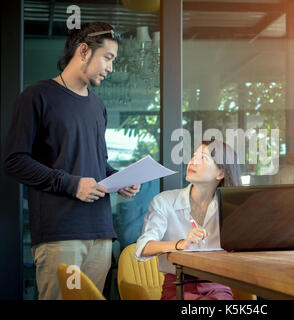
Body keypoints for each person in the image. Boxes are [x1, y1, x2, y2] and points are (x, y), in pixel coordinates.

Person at [3, 22, 141, 300]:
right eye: (108, 57)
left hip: (101, 232)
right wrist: (71, 184)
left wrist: (119, 179)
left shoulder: (97, 106)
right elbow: (14, 160)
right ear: (83, 51)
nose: (111, 68)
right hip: (61, 233)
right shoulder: (37, 96)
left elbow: (96, 164)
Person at [134, 139, 241, 300]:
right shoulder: (164, 201)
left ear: (220, 173)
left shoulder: (232, 207)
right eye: (193, 156)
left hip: (218, 285)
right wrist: (180, 244)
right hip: (178, 285)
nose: (192, 162)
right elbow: (142, 248)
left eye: (202, 158)